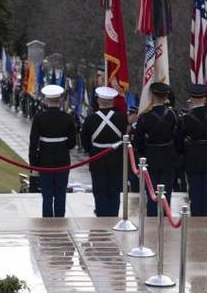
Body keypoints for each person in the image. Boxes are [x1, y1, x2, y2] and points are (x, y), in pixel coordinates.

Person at [28, 84, 77, 218]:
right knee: (61, 194)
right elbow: (72, 143)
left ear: (46, 100)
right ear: (59, 100)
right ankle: (60, 220)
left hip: (45, 160)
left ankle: (48, 222)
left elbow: (33, 142)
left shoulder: (39, 117)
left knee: (47, 195)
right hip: (63, 160)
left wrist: (33, 164)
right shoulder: (67, 118)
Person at [133, 82, 180, 216]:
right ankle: (164, 217)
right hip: (169, 156)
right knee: (166, 191)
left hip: (151, 156)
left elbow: (138, 140)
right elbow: (178, 137)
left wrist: (142, 153)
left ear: (152, 95)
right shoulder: (173, 114)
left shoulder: (144, 116)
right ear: (166, 96)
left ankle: (152, 218)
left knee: (151, 191)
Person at [81, 86, 127, 217]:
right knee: (114, 189)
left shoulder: (90, 119)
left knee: (99, 189)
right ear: (112, 101)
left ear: (98, 101)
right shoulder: (121, 118)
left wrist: (92, 150)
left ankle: (101, 215)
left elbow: (85, 142)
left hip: (97, 157)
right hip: (116, 158)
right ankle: (113, 215)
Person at [180, 83, 207, 217]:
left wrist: (185, 152)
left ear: (191, 98)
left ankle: (197, 218)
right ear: (205, 98)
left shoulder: (185, 118)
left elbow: (179, 140)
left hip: (193, 157)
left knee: (194, 190)